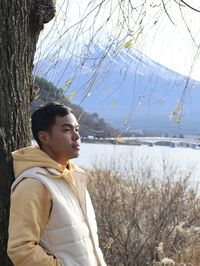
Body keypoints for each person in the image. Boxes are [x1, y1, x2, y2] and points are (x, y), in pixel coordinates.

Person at [7, 102, 106, 266]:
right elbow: (20, 248)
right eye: (67, 130)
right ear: (44, 137)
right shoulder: (34, 183)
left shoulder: (75, 177)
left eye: (77, 129)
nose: (76, 136)